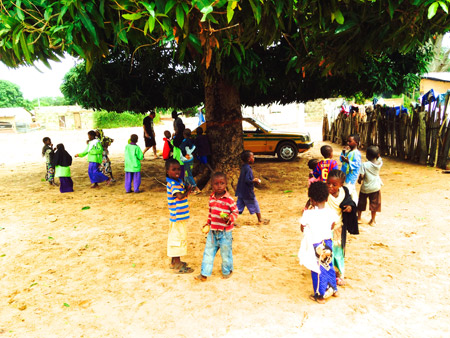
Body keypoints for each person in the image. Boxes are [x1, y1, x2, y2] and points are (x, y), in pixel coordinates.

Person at [298, 181, 339, 304]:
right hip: (328, 242)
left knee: (317, 269)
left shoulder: (308, 213)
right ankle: (334, 289)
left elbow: (302, 227)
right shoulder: (330, 212)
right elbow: (333, 225)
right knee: (328, 265)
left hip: (316, 245)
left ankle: (320, 295)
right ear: (327, 198)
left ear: (312, 200)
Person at [195, 172, 239, 281]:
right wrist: (208, 223)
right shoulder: (211, 198)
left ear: (226, 184)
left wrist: (229, 219)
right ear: (211, 185)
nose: (219, 186)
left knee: (226, 253)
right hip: (213, 232)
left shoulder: (229, 200)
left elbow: (235, 212)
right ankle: (204, 273)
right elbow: (211, 213)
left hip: (225, 233)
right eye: (216, 183)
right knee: (208, 252)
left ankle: (227, 271)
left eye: (222, 183)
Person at [326, 169, 358, 286]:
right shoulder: (324, 192)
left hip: (338, 228)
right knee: (326, 251)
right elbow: (312, 200)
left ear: (341, 184)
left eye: (334, 185)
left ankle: (340, 274)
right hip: (324, 228)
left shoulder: (344, 192)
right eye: (328, 183)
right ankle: (327, 273)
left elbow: (350, 202)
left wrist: (349, 207)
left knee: (338, 252)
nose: (330, 186)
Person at [165, 158, 194, 274]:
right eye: (173, 169)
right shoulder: (172, 184)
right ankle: (177, 263)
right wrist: (187, 191)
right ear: (167, 171)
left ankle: (174, 261)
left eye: (178, 169)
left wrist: (186, 188)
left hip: (179, 216)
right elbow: (180, 196)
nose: (177, 171)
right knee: (178, 239)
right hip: (177, 217)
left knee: (176, 238)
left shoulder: (178, 181)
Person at [235, 150, 270, 225]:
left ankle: (230, 220)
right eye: (252, 157)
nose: (254, 158)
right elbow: (247, 180)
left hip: (241, 191)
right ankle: (260, 219)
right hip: (247, 192)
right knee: (255, 204)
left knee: (238, 207)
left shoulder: (244, 167)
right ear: (248, 159)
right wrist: (254, 180)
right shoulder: (248, 169)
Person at [357, 145, 383, 226]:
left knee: (361, 202)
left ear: (367, 155)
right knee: (374, 204)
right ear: (378, 155)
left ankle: (359, 218)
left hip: (365, 187)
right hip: (375, 187)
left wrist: (360, 180)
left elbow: (362, 175)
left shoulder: (364, 165)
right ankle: (373, 220)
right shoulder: (379, 163)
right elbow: (379, 158)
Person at [340, 134, 362, 203]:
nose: (348, 143)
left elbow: (357, 164)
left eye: (350, 141)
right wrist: (343, 153)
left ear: (356, 142)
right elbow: (342, 160)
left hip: (351, 176)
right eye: (348, 141)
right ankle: (355, 204)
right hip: (345, 175)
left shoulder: (357, 153)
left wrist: (347, 161)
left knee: (347, 191)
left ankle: (349, 205)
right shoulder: (349, 152)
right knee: (352, 190)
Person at [180, 128, 201, 194]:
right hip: (191, 158)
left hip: (186, 160)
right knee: (186, 174)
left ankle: (196, 188)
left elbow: (182, 149)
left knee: (188, 174)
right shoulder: (192, 141)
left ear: (184, 134)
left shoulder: (184, 141)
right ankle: (189, 188)